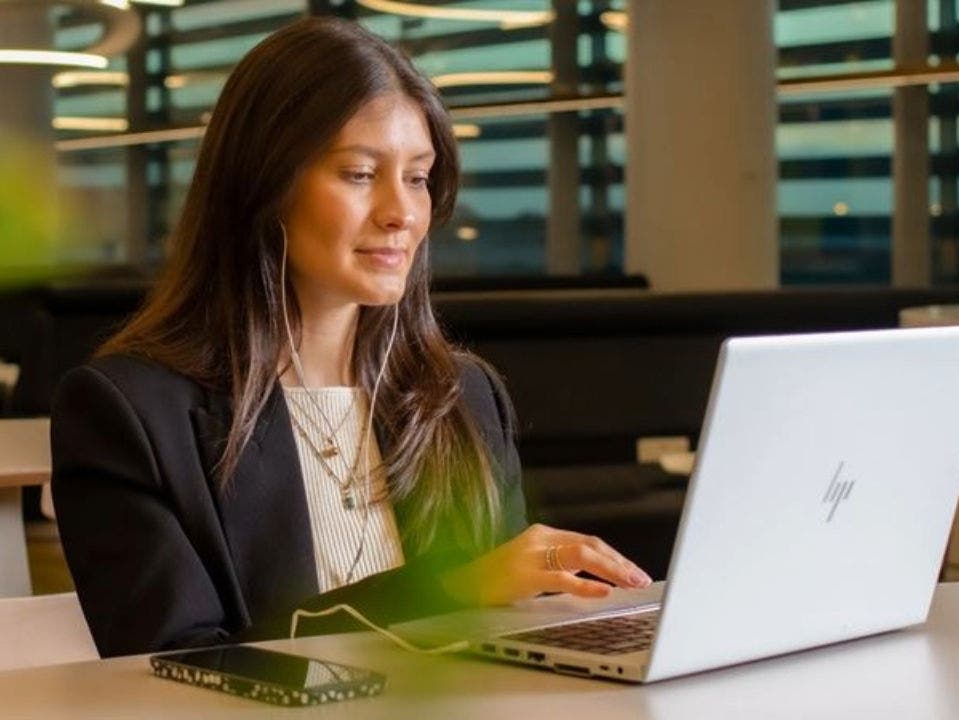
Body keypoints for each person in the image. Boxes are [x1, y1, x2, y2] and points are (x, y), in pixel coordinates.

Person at [50, 16, 650, 659]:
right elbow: (179, 667)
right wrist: (446, 589)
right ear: (264, 184)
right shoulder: (131, 415)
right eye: (361, 174)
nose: (402, 212)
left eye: (418, 177)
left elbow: (498, 634)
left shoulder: (463, 396)